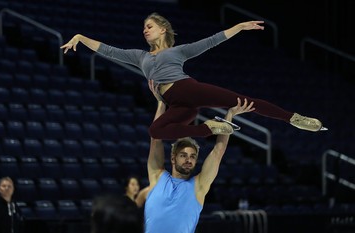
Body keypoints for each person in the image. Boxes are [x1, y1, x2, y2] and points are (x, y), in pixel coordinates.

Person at [61, 12, 326, 140]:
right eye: (143, 28)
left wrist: (240, 26)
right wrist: (81, 38)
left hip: (186, 89)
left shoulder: (178, 51)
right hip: (178, 104)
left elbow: (211, 41)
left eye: (149, 26)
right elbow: (109, 50)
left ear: (163, 29)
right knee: (156, 131)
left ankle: (293, 118)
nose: (145, 30)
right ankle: (210, 127)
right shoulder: (139, 56)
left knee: (242, 100)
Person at [143, 97, 254, 233]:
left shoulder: (199, 186)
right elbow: (155, 137)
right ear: (173, 158)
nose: (188, 160)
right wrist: (161, 103)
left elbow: (217, 152)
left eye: (192, 156)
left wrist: (229, 115)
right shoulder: (157, 176)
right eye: (183, 155)